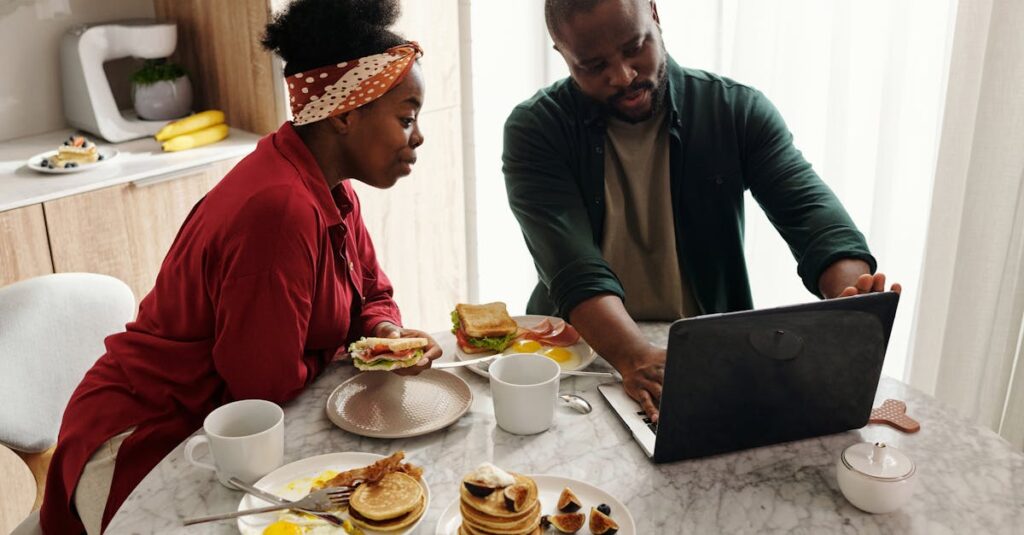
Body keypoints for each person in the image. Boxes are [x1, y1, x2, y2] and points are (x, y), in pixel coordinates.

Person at [39, 1, 437, 532]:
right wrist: (344, 349)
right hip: (144, 441)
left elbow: (370, 291)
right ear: (345, 114)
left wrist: (382, 333)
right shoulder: (280, 210)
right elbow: (262, 384)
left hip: (219, 429)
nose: (418, 137)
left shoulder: (331, 188)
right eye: (406, 118)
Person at [502, 0, 901, 424]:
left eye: (634, 47)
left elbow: (814, 216)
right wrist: (634, 357)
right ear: (562, 54)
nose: (622, 75)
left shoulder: (735, 110)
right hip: (583, 360)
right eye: (593, 65)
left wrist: (847, 298)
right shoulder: (535, 131)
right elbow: (572, 269)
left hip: (707, 357)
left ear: (655, 13)